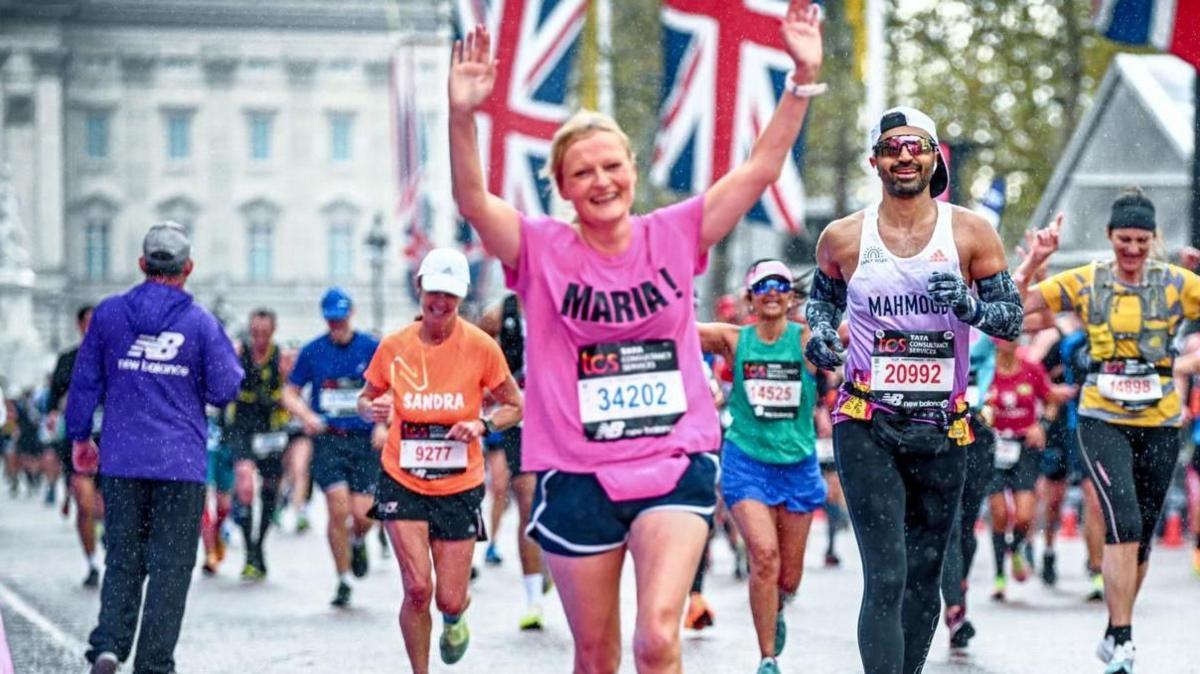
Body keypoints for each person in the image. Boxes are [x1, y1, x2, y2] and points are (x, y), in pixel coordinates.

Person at [448, 2, 823, 670]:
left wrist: (801, 79)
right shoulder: (540, 248)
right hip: (577, 470)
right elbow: (475, 202)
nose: (602, 181)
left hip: (671, 462)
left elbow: (761, 168)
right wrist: (462, 115)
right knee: (596, 656)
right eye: (583, 172)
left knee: (656, 638)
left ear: (631, 167)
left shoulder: (672, 234)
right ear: (563, 187)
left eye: (611, 166)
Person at [806, 106, 1022, 673]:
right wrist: (822, 336)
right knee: (886, 573)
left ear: (934, 159)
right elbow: (821, 302)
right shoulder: (844, 236)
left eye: (917, 146)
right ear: (875, 160)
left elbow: (1011, 318)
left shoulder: (971, 232)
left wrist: (970, 306)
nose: (905, 155)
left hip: (944, 426)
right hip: (865, 419)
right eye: (893, 146)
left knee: (926, 576)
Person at [1022, 188, 1200, 673]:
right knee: (1121, 518)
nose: (1133, 249)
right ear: (1109, 236)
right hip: (1102, 417)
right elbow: (1015, 310)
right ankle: (1123, 638)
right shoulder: (1087, 281)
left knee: (1140, 534)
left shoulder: (1177, 282)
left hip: (1160, 421)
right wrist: (1034, 263)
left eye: (1143, 240)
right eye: (1125, 239)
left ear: (1154, 239)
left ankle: (1115, 628)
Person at [66, 221, 243, 674]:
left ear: (143, 264)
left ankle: (108, 644)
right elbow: (226, 388)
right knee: (170, 568)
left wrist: (81, 437)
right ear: (188, 268)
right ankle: (153, 662)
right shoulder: (201, 323)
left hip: (123, 458)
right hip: (179, 462)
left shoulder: (107, 315)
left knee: (123, 555)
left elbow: (84, 381)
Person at [358, 247, 523, 673]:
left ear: (461, 297)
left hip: (458, 483)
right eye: (434, 292)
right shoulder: (394, 346)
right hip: (403, 476)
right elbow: (366, 397)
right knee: (416, 588)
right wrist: (370, 410)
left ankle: (454, 618)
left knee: (449, 596)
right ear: (420, 289)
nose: (440, 302)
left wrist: (483, 425)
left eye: (449, 295)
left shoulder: (481, 347)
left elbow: (514, 405)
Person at [698, 259, 825, 674]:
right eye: (763, 285)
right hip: (746, 462)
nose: (773, 292)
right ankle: (767, 657)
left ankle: (779, 606)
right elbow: (672, 331)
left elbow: (863, 328)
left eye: (781, 285)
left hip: (798, 466)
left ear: (791, 298)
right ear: (750, 297)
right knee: (764, 558)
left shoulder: (807, 340)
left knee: (788, 578)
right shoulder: (734, 340)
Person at [282, 287, 380, 608]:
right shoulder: (312, 351)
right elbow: (290, 393)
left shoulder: (371, 347)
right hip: (329, 439)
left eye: (341, 319)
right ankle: (343, 580)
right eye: (331, 320)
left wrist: (383, 424)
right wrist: (307, 416)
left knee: (364, 514)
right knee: (337, 508)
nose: (336, 326)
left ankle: (357, 540)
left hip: (364, 441)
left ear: (351, 313)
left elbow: (391, 389)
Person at [476, 292, 550, 629]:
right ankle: (533, 599)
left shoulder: (561, 298)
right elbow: (474, 348)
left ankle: (551, 561)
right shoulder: (499, 312)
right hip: (519, 420)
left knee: (563, 503)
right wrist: (491, 384)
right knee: (527, 501)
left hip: (559, 417)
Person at [980, 335, 1073, 600]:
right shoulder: (984, 368)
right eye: (1003, 338)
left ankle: (1016, 548)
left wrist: (1041, 425)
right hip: (993, 449)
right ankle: (999, 577)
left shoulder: (1030, 367)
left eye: (1013, 337)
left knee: (1023, 515)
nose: (1010, 343)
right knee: (998, 513)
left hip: (1023, 449)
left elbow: (1051, 398)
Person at [939, 330, 997, 651]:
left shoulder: (984, 319)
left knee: (966, 529)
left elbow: (1017, 321)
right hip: (942, 428)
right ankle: (955, 609)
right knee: (951, 523)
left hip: (978, 434)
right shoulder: (929, 314)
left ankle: (957, 588)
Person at [226, 308, 292, 580]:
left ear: (273, 331)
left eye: (264, 333)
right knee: (243, 485)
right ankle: (249, 551)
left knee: (270, 491)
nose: (260, 338)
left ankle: (259, 546)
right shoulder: (238, 352)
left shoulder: (282, 357)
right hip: (243, 426)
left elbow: (291, 392)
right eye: (255, 332)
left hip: (271, 429)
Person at [46, 305, 105, 588]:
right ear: (80, 325)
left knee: (103, 507)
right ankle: (93, 562)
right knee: (85, 503)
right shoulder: (68, 360)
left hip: (111, 442)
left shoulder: (114, 359)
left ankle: (107, 543)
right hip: (77, 442)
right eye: (89, 323)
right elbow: (51, 404)